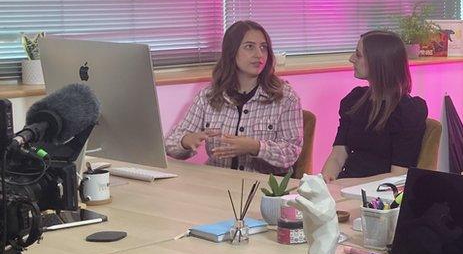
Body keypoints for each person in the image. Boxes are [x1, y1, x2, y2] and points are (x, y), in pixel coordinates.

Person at [164, 20, 302, 174]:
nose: (259, 55)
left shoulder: (285, 98)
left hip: (262, 188)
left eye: (263, 47)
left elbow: (291, 153)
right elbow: (169, 143)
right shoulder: (208, 96)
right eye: (249, 47)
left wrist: (255, 147)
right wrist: (185, 141)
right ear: (232, 52)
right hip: (217, 182)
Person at [322, 30, 428, 180]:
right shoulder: (354, 100)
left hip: (378, 194)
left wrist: (346, 185)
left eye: (358, 55)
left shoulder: (407, 112)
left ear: (378, 62)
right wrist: (325, 180)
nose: (351, 59)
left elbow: (399, 175)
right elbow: (338, 155)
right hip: (346, 185)